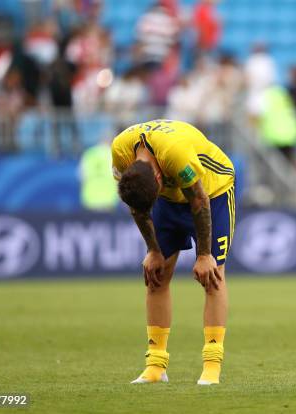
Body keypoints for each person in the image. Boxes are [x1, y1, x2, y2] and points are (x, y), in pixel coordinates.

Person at [111, 119, 235, 385]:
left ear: (159, 178)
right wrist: (153, 250)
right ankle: (155, 367)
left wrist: (203, 255)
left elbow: (198, 200)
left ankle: (211, 367)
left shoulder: (175, 154)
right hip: (168, 201)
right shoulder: (120, 152)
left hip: (213, 192)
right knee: (156, 275)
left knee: (212, 276)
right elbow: (137, 205)